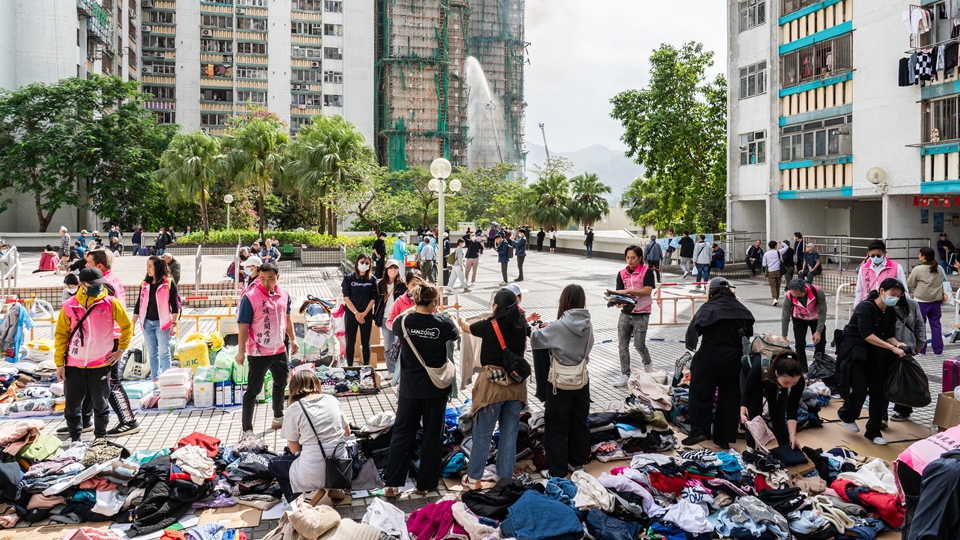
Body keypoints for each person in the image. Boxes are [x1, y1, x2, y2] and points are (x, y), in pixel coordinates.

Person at [384, 283, 458, 496]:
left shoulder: (404, 321)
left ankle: (392, 485)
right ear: (435, 302)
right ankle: (424, 486)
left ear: (416, 300)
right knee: (432, 435)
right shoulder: (442, 323)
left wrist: (414, 307)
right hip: (436, 389)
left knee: (402, 434)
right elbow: (455, 333)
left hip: (409, 389)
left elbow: (397, 321)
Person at [54, 268, 133, 447]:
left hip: (100, 363)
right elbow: (61, 335)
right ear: (81, 285)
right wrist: (60, 363)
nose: (97, 288)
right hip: (74, 364)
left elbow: (127, 326)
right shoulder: (69, 305)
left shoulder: (110, 303)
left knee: (101, 403)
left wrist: (121, 349)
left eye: (99, 285)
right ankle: (75, 440)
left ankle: (100, 438)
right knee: (72, 406)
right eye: (93, 285)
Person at [458, 288, 527, 489]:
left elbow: (467, 327)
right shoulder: (521, 324)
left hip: (492, 386)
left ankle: (474, 478)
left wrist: (460, 319)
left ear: (496, 306)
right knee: (509, 433)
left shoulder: (490, 324)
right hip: (516, 385)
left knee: (483, 433)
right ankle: (505, 478)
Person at [683, 277, 755, 449]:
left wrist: (691, 346)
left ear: (711, 291)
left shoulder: (707, 308)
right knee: (730, 399)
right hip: (734, 362)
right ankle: (723, 437)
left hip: (709, 360)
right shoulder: (741, 309)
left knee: (700, 393)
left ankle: (699, 430)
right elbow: (749, 333)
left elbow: (693, 332)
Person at [529, 284, 593, 479]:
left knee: (556, 426)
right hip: (581, 380)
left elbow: (535, 339)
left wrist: (537, 327)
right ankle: (577, 462)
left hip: (559, 383)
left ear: (564, 300)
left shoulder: (559, 325)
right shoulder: (587, 323)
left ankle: (557, 471)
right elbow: (588, 346)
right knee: (578, 422)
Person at [836, 278, 907, 445]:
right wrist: (891, 348)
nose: (895, 298)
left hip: (874, 352)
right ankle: (847, 414)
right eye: (892, 294)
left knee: (879, 391)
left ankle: (873, 432)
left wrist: (897, 343)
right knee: (860, 388)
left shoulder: (890, 311)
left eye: (898, 295)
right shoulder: (865, 307)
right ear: (882, 291)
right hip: (854, 350)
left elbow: (888, 334)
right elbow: (866, 334)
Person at [268, 371, 351, 503]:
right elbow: (347, 432)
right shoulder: (332, 399)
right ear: (317, 383)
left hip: (313, 471)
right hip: (340, 467)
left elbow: (295, 449)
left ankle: (308, 493)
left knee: (274, 464)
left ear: (293, 388)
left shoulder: (294, 409)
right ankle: (337, 486)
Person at [236, 262, 298, 437]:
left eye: (270, 278)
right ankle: (247, 428)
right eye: (262, 278)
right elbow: (243, 326)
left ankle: (278, 417)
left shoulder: (284, 294)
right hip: (258, 351)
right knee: (253, 391)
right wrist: (241, 351)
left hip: (279, 348)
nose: (265, 282)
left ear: (277, 277)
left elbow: (287, 318)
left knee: (280, 382)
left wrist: (293, 339)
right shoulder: (250, 297)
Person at [84, 249, 141, 437]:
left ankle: (128, 420)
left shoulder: (104, 284)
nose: (86, 266)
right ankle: (84, 420)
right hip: (109, 336)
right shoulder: (113, 279)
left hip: (109, 338)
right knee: (92, 379)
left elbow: (101, 311)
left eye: (89, 263)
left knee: (110, 381)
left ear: (99, 266)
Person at [607, 245, 657, 386]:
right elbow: (619, 292)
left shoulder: (646, 271)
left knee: (639, 345)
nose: (630, 260)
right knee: (622, 345)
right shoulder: (622, 273)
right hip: (626, 313)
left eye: (633, 258)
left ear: (640, 258)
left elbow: (647, 291)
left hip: (642, 313)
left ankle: (648, 366)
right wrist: (618, 301)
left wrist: (628, 292)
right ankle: (624, 374)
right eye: (628, 257)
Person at [740, 351, 805, 449]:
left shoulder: (798, 380)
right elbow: (748, 394)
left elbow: (792, 407)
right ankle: (752, 452)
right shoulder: (758, 368)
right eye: (787, 382)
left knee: (778, 417)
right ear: (776, 372)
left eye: (794, 383)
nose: (790, 386)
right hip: (753, 375)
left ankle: (786, 450)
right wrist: (743, 411)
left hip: (776, 384)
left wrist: (792, 435)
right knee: (755, 418)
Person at [131, 256, 179, 379]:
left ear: (158, 267)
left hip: (162, 323)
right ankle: (154, 378)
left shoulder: (168, 282)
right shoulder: (144, 283)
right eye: (147, 266)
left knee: (164, 352)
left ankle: (167, 378)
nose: (148, 269)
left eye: (150, 266)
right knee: (152, 353)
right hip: (146, 323)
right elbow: (139, 304)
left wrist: (174, 324)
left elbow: (175, 305)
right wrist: (133, 324)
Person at [889, 293, 926, 423]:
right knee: (884, 379)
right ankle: (881, 414)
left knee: (904, 378)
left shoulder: (912, 304)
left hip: (907, 347)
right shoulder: (885, 305)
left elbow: (919, 323)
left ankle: (903, 409)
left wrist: (920, 343)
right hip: (887, 347)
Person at [782, 279, 827, 372]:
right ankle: (803, 371)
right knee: (800, 345)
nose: (797, 298)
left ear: (805, 290)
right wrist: (784, 335)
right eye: (794, 296)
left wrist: (818, 331)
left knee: (820, 344)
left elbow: (823, 312)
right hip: (799, 319)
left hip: (816, 318)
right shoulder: (789, 295)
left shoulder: (817, 292)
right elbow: (785, 315)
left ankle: (817, 369)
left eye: (799, 296)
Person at [908, 246, 945, 359]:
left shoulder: (917, 269)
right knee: (936, 325)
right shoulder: (938, 268)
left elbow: (910, 283)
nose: (919, 256)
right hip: (936, 301)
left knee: (920, 325)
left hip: (921, 301)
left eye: (920, 254)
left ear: (923, 257)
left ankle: (922, 349)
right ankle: (938, 350)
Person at [341, 253, 378, 366]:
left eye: (367, 263)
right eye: (362, 262)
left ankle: (366, 367)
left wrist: (364, 314)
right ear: (357, 263)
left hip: (366, 315)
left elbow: (373, 299)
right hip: (352, 315)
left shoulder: (372, 279)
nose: (364, 265)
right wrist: (357, 313)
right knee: (350, 342)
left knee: (366, 343)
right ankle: (350, 367)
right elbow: (346, 298)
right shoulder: (349, 278)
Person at [374, 259, 406, 381]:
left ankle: (400, 370)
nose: (393, 270)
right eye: (390, 268)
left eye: (395, 268)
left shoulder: (402, 285)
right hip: (385, 318)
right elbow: (377, 302)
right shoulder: (380, 284)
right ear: (386, 270)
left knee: (400, 345)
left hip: (399, 319)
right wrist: (376, 318)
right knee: (388, 346)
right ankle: (391, 370)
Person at [854, 239, 909, 304]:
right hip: (869, 304)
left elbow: (904, 288)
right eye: (872, 255)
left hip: (889, 304)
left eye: (878, 255)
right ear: (869, 254)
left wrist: (907, 304)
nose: (875, 257)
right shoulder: (863, 268)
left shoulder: (896, 267)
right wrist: (857, 305)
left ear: (885, 253)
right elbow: (859, 290)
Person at [761, 240, 789, 306]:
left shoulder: (766, 254)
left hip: (771, 271)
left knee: (772, 286)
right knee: (778, 286)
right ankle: (777, 298)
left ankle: (774, 298)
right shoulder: (779, 252)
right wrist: (781, 242)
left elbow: (764, 264)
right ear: (775, 246)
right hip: (778, 271)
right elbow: (786, 247)